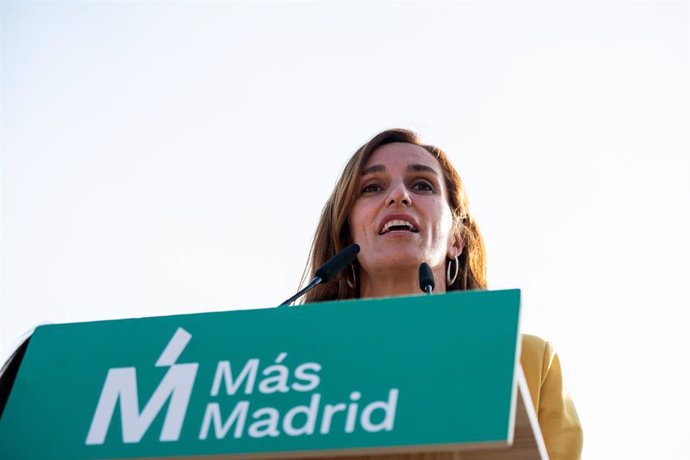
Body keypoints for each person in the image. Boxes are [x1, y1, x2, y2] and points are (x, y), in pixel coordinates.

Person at [302, 128, 583, 459]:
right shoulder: (292, 371)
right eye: (372, 188)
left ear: (456, 239)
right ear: (345, 232)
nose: (398, 196)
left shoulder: (527, 362)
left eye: (422, 185)